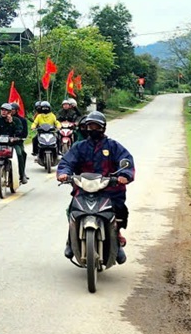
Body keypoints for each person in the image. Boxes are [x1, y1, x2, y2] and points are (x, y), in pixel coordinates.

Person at [56, 111, 135, 263]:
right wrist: (64, 173)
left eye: (96, 126)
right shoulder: (79, 147)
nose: (93, 129)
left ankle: (117, 238)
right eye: (90, 126)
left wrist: (124, 175)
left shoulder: (113, 146)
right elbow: (66, 162)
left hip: (110, 190)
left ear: (103, 128)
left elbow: (126, 161)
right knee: (72, 210)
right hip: (84, 189)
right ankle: (70, 240)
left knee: (120, 210)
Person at [0, 103, 28, 184]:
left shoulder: (16, 120)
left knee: (19, 154)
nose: (3, 112)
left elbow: (19, 131)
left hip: (14, 144)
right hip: (1, 143)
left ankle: (22, 175)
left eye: (6, 110)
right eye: (2, 110)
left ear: (10, 112)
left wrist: (12, 123)